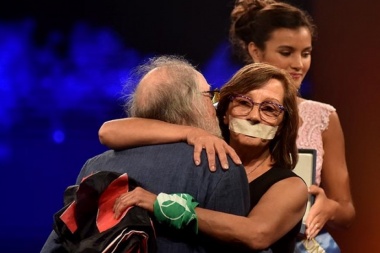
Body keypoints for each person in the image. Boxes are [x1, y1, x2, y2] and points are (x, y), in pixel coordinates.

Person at [40, 55, 250, 253]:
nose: (215, 105)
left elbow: (63, 241)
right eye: (209, 95)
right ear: (192, 106)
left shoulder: (93, 166)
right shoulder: (219, 163)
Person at [100, 62, 309, 252]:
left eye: (270, 109)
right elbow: (109, 132)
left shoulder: (291, 186)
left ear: (282, 126)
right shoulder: (206, 158)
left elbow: (256, 234)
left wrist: (161, 205)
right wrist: (189, 132)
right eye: (244, 103)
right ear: (226, 113)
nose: (254, 117)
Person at [228, 0, 355, 244]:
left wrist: (328, 207)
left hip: (304, 243)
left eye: (306, 53)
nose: (299, 64)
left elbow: (347, 211)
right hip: (238, 239)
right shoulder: (226, 108)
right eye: (286, 52)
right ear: (256, 51)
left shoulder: (323, 117)